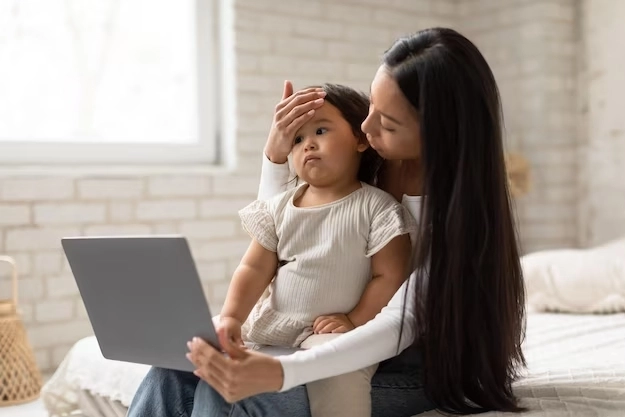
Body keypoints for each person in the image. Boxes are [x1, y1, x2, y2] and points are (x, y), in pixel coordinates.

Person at [127, 27, 526, 417]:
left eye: (387, 124)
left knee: (234, 395)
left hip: (419, 367)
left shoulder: (460, 217)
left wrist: (281, 371)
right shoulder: (371, 166)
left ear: (440, 133)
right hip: (324, 343)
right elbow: (281, 236)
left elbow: (399, 321)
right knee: (175, 371)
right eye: (371, 108)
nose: (366, 129)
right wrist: (275, 155)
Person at [218, 82, 416, 417]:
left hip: (328, 333)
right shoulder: (278, 208)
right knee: (220, 361)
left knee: (340, 373)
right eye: (297, 139)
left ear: (358, 139)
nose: (307, 144)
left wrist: (354, 320)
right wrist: (232, 317)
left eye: (321, 130)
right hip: (275, 326)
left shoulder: (376, 208)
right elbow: (252, 269)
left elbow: (390, 275)